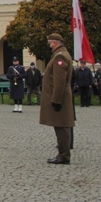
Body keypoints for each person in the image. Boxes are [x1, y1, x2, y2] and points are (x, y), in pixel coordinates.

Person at [40, 33, 75, 165]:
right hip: (61, 96)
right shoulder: (62, 55)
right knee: (61, 126)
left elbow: (59, 81)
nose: (49, 45)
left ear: (55, 43)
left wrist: (56, 100)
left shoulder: (60, 57)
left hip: (60, 97)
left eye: (50, 43)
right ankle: (63, 154)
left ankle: (63, 155)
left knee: (61, 126)